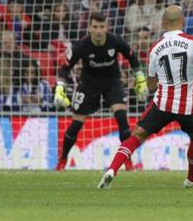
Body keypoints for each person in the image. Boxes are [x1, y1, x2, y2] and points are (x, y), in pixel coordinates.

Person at [98, 5, 193, 189]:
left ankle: (112, 169)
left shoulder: (155, 48)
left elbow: (151, 85)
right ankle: (191, 178)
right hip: (188, 106)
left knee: (136, 136)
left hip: (163, 104)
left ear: (164, 22)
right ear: (183, 21)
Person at [53, 12, 146, 170]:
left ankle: (127, 161)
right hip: (88, 85)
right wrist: (60, 88)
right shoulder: (81, 46)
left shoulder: (115, 40)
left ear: (106, 27)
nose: (98, 30)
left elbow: (133, 58)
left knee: (122, 118)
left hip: (112, 83)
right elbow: (64, 69)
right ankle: (62, 161)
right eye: (95, 27)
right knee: (76, 124)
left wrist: (140, 78)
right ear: (89, 28)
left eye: (101, 27)